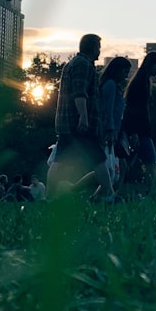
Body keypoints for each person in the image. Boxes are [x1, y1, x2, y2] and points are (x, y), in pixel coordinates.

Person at [46, 33, 116, 201]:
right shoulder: (83, 65)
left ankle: (49, 196)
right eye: (98, 47)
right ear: (92, 48)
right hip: (78, 122)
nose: (99, 51)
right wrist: (83, 117)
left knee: (60, 160)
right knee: (98, 158)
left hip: (67, 121)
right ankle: (108, 194)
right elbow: (80, 92)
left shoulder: (73, 64)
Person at [122, 51, 156, 194]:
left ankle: (106, 193)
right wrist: (134, 132)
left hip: (139, 130)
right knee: (151, 163)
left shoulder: (141, 81)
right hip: (140, 132)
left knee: (123, 166)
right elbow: (134, 110)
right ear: (150, 65)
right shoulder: (140, 84)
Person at [99, 56, 133, 188]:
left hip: (117, 130)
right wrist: (110, 130)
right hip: (111, 130)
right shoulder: (110, 85)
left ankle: (108, 193)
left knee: (118, 165)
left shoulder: (114, 85)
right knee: (110, 166)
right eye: (125, 72)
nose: (126, 76)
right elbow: (108, 108)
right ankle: (109, 193)